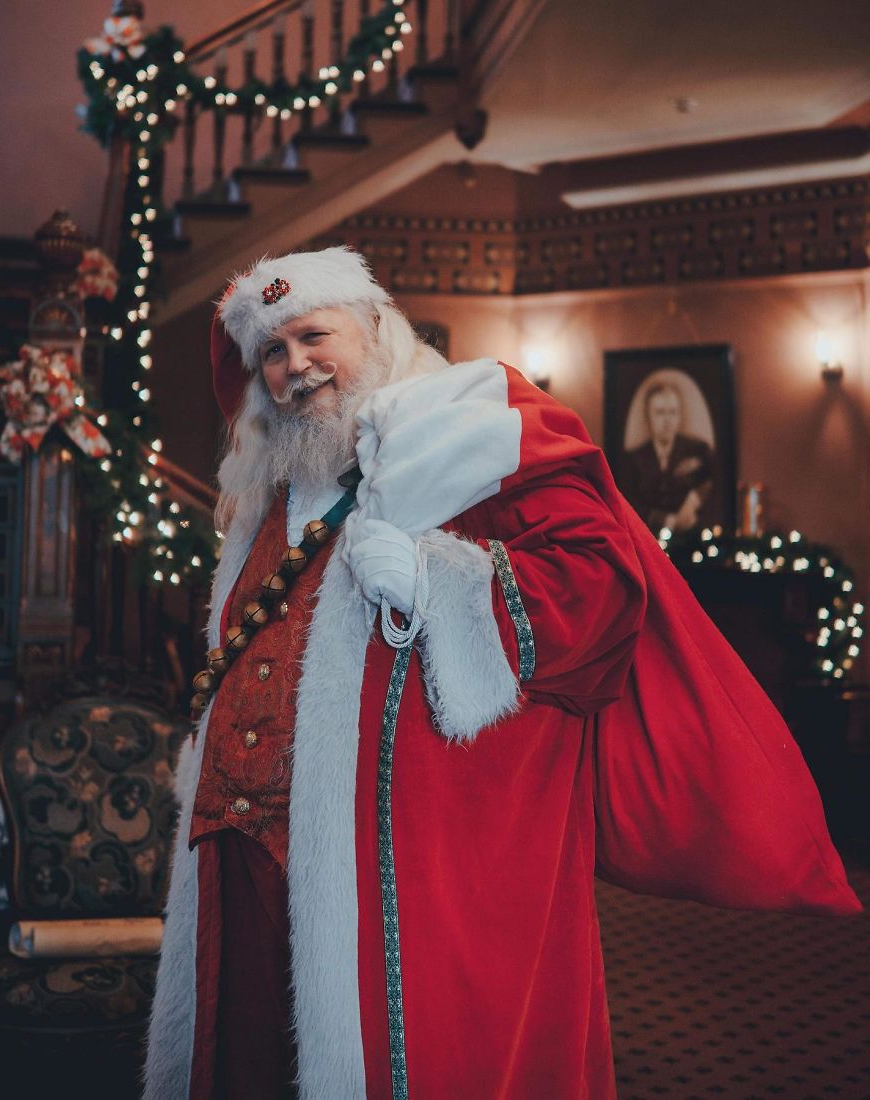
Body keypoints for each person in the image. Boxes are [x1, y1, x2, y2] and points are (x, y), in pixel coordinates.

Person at [143, 247, 860, 1100]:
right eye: (273, 351)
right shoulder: (270, 480)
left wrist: (442, 584)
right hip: (246, 852)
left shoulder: (471, 416)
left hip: (409, 862)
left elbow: (600, 588)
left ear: (371, 328)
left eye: (312, 336)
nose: (295, 367)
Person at [620, 380, 715, 535]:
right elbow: (629, 503)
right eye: (660, 412)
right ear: (648, 416)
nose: (667, 420)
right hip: (647, 541)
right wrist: (668, 521)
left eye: (672, 412)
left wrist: (694, 500)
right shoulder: (634, 459)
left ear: (679, 416)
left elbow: (713, 483)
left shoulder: (698, 450)